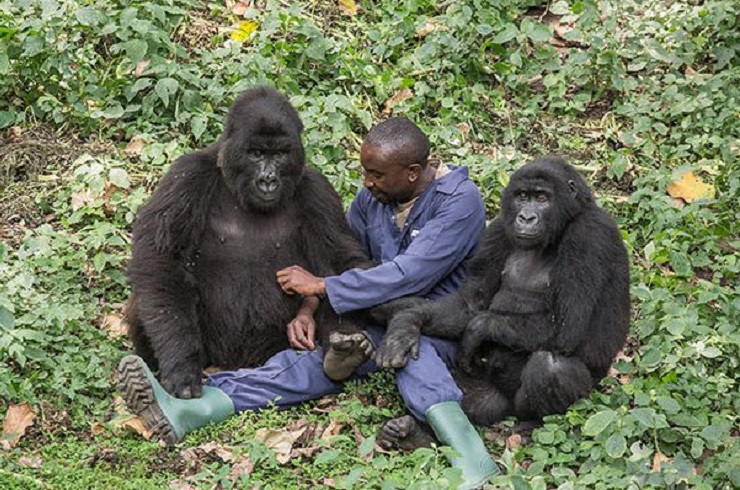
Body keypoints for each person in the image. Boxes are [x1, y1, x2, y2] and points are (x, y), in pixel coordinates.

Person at [118, 117, 497, 489]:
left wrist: (320, 285)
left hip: (438, 324)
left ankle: (470, 452)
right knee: (309, 363)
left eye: (377, 175)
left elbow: (407, 275)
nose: (366, 183)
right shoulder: (373, 199)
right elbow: (346, 261)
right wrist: (308, 308)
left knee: (414, 352)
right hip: (382, 317)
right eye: (366, 172)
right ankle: (196, 409)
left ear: (413, 172)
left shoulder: (459, 202)